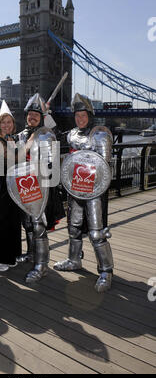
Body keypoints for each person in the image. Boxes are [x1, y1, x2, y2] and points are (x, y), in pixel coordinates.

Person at [53, 93, 114, 293]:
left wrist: (95, 189)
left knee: (97, 232)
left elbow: (105, 169)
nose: (80, 119)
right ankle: (74, 260)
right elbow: (53, 137)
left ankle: (106, 270)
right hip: (75, 189)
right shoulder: (71, 134)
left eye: (83, 115)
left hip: (94, 190)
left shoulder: (100, 134)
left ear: (89, 115)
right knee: (74, 227)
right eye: (77, 115)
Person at [16, 93, 57, 283]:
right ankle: (31, 254)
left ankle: (42, 265)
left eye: (36, 115)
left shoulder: (47, 135)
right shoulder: (21, 135)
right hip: (24, 186)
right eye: (30, 114)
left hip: (40, 187)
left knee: (39, 225)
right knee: (27, 223)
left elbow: (52, 165)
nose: (32, 117)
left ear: (42, 117)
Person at [0, 101, 22, 272]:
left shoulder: (15, 140)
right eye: (3, 123)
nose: (7, 125)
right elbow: (6, 160)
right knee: (2, 221)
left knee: (14, 220)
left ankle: (11, 255)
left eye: (9, 122)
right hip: (2, 185)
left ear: (13, 125)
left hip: (15, 185)